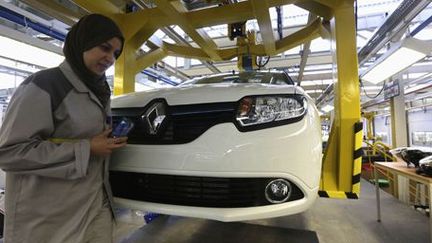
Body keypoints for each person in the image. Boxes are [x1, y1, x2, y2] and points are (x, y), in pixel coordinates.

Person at [0, 14, 128, 243]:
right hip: (51, 219)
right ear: (83, 42)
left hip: (94, 206)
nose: (110, 58)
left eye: (115, 54)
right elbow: (9, 153)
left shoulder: (100, 90)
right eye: (104, 48)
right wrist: (87, 148)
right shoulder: (43, 85)